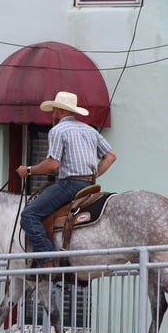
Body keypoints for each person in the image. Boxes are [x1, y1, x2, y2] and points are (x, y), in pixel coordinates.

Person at [16, 91, 117, 269]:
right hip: (90, 185)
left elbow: (53, 165)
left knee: (29, 215)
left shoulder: (58, 130)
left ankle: (47, 260)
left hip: (69, 184)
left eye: (54, 110)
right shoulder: (89, 130)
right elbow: (110, 156)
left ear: (61, 111)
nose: (52, 114)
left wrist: (29, 170)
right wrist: (93, 175)